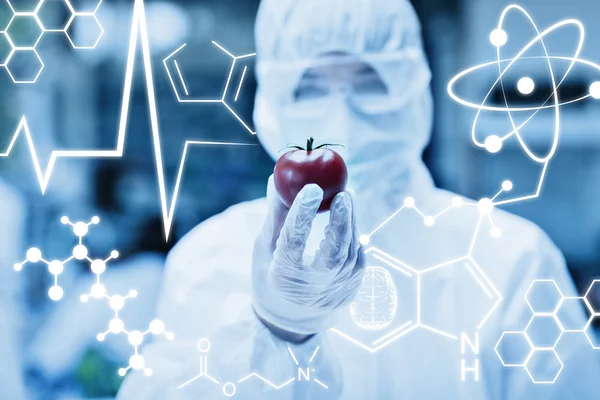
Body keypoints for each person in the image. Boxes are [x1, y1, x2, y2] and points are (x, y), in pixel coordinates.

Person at [118, 0, 600, 398]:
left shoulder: (510, 258)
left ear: (415, 89)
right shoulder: (208, 256)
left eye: (370, 80)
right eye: (308, 85)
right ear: (271, 99)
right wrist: (277, 329)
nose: (340, 113)